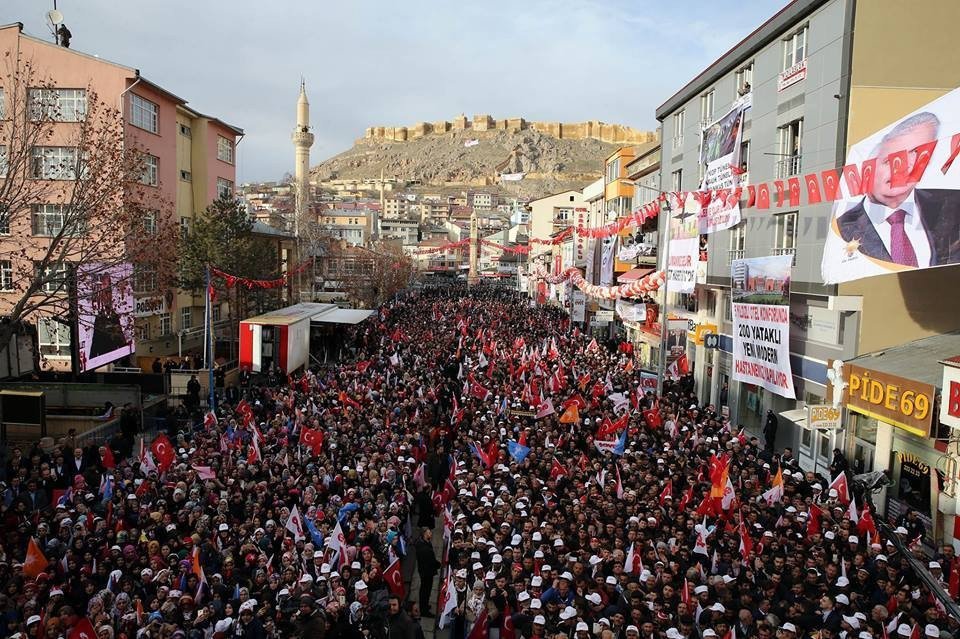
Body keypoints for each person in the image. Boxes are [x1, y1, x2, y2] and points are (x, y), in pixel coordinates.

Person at [836, 112, 960, 267]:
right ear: (867, 170)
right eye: (889, 162)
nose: (901, 170)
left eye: (917, 155)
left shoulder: (953, 205)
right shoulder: (842, 227)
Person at [414, 528, 439, 617]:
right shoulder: (423, 548)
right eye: (429, 532)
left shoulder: (424, 543)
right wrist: (437, 565)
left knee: (425, 590)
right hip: (426, 572)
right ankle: (424, 610)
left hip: (425, 571)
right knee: (425, 591)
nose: (431, 533)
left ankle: (425, 605)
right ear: (424, 534)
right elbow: (430, 560)